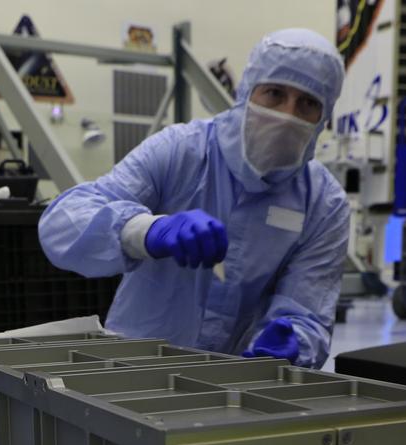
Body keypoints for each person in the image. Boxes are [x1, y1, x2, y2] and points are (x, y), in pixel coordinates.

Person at [38, 29, 349, 369]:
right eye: (274, 93)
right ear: (246, 93)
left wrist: (292, 344)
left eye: (307, 104)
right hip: (132, 373)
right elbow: (62, 222)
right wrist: (146, 231)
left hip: (239, 387)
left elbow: (308, 311)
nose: (288, 114)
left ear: (323, 118)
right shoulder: (180, 151)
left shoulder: (324, 204)